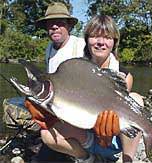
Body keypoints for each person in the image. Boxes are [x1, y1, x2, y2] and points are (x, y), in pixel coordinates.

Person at [25, 2, 143, 163]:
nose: (101, 42)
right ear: (87, 40)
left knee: (136, 99)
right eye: (95, 37)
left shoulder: (123, 76)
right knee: (46, 134)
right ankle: (89, 159)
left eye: (107, 38)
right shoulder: (73, 64)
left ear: (114, 42)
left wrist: (108, 131)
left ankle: (127, 160)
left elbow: (122, 116)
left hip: (113, 138)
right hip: (86, 134)